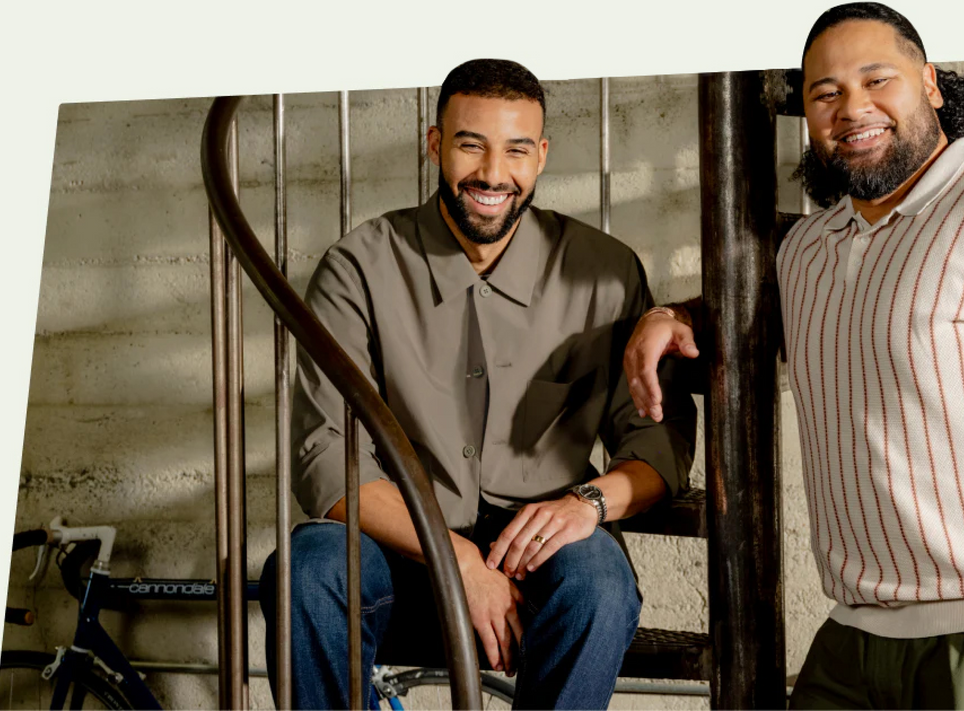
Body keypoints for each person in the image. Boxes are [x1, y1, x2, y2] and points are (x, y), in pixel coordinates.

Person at [624, 4, 964, 708]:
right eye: (825, 92)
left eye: (877, 80)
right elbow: (749, 317)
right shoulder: (811, 246)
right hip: (856, 639)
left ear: (930, 83)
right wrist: (673, 314)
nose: (851, 108)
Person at [260, 58, 697, 710]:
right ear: (435, 144)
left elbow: (656, 445)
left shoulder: (605, 272)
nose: (494, 174)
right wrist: (457, 558)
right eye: (471, 145)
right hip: (398, 547)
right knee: (308, 566)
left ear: (542, 155)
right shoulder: (359, 267)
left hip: (538, 549)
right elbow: (325, 454)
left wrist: (587, 505)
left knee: (600, 580)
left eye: (516, 149)